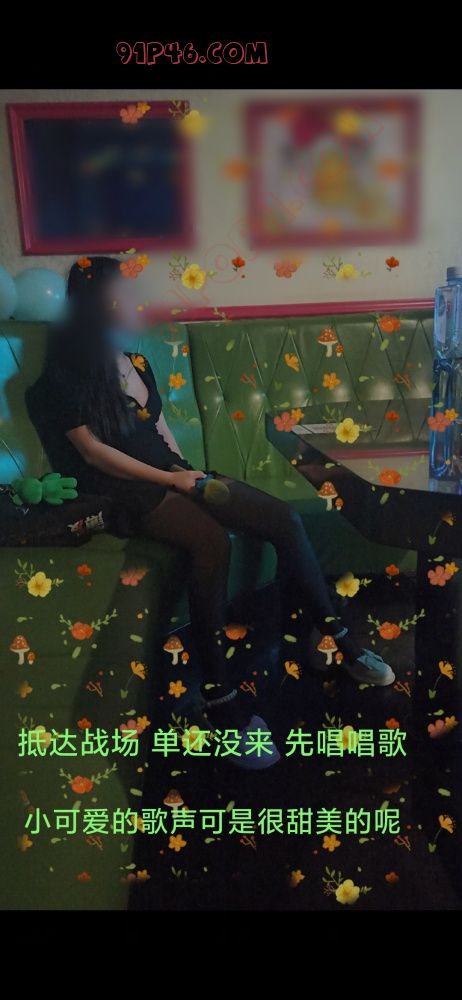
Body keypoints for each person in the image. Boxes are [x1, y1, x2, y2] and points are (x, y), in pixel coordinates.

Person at [26, 256, 395, 770]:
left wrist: (192, 476)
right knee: (211, 542)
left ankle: (342, 641)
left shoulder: (136, 362)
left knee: (283, 520)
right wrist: (171, 482)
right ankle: (220, 700)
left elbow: (159, 432)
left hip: (172, 474)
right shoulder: (64, 376)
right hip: (123, 491)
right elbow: (93, 454)